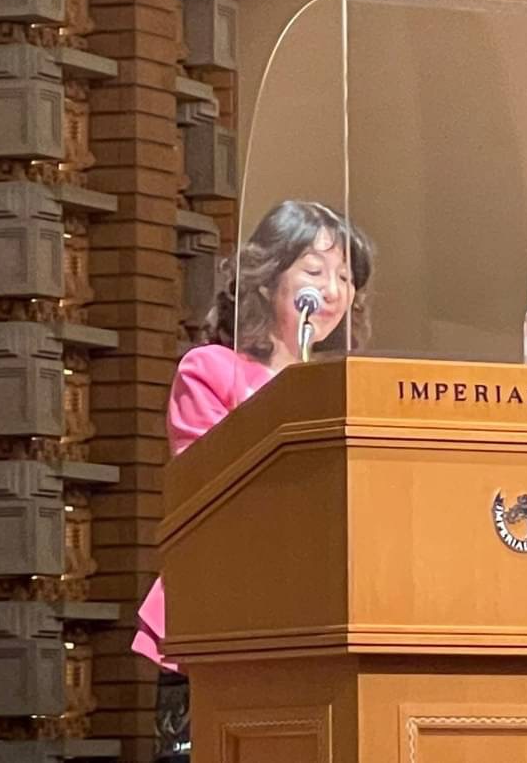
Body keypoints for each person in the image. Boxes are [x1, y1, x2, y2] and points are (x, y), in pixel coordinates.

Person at [133, 200, 374, 762]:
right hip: (222, 615)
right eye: (314, 271)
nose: (332, 291)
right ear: (267, 281)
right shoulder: (210, 369)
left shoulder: (347, 384)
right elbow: (207, 486)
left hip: (316, 621)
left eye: (345, 277)